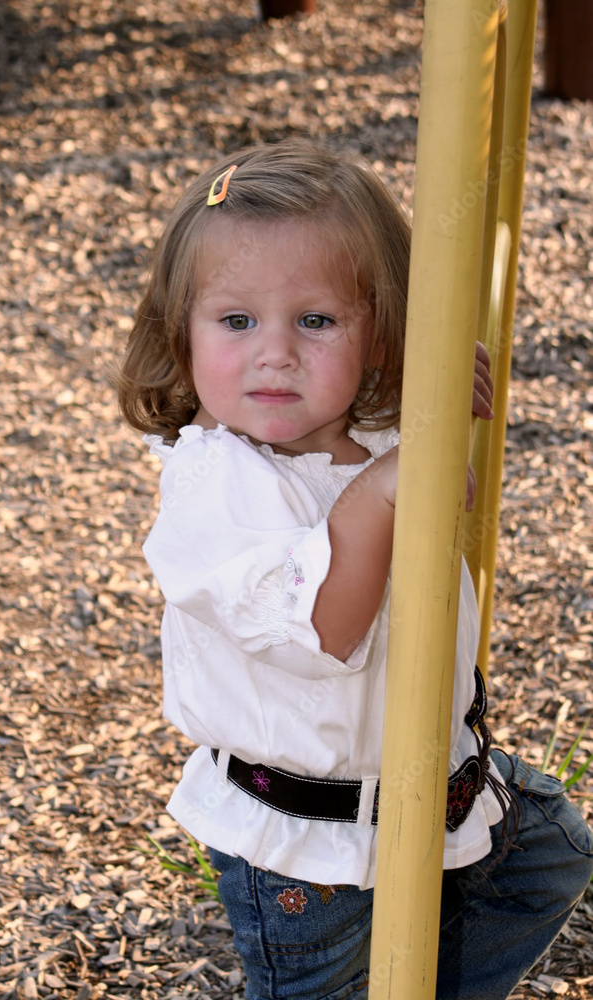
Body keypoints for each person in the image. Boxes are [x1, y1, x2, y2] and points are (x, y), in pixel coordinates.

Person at [115, 139, 593, 1000]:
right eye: (236, 321)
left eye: (316, 321)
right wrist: (387, 487)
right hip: (304, 846)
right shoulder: (214, 487)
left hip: (441, 782)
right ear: (179, 337)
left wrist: (432, 411)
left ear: (379, 334)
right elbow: (324, 631)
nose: (275, 353)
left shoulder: (370, 432)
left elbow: (425, 475)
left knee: (547, 862)